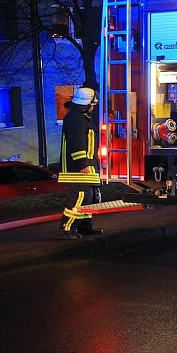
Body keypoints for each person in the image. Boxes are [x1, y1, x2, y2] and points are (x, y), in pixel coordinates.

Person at [58, 87, 103, 239]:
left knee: (90, 197)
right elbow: (75, 142)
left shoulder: (81, 118)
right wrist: (82, 163)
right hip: (79, 167)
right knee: (80, 196)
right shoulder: (75, 119)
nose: (93, 107)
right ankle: (67, 227)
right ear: (86, 104)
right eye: (92, 105)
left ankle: (84, 226)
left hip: (87, 165)